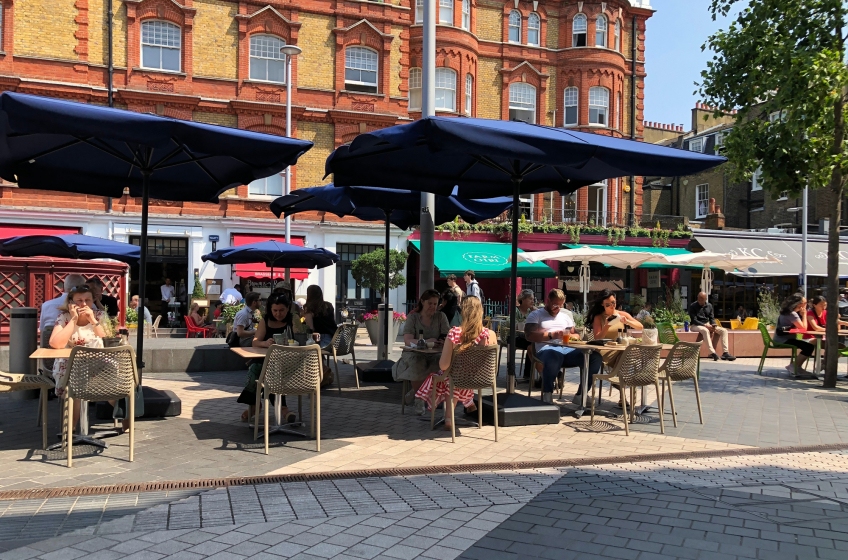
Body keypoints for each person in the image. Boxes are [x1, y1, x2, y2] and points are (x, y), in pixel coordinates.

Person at [49, 285, 129, 432]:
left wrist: (93, 320)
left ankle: (126, 419)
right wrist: (73, 320)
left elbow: (107, 339)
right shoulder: (64, 317)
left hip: (97, 362)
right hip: (71, 364)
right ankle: (70, 430)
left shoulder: (99, 315)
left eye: (87, 300)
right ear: (71, 302)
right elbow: (55, 343)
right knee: (73, 389)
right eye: (79, 300)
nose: (83, 304)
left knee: (112, 385)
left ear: (93, 301)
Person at [414, 297, 496, 430]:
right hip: (482, 379)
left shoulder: (455, 333)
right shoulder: (490, 334)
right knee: (453, 377)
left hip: (456, 379)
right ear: (480, 311)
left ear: (463, 312)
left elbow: (443, 365)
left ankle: (448, 418)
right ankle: (463, 407)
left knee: (447, 376)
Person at [525, 288, 603, 405]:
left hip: (567, 349)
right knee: (554, 355)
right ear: (548, 300)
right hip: (546, 349)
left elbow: (575, 334)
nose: (557, 308)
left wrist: (573, 337)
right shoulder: (536, 315)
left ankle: (581, 395)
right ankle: (547, 394)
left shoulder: (565, 316)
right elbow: (529, 335)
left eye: (560, 306)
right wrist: (552, 335)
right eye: (555, 304)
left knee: (595, 357)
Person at [238, 293, 296, 424]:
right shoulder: (265, 321)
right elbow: (255, 342)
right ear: (270, 309)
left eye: (282, 310)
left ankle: (254, 406)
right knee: (260, 370)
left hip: (288, 364)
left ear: (288, 308)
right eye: (275, 310)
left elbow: (301, 338)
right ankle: (283, 409)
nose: (278, 314)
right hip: (266, 362)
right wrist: (265, 343)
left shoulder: (293, 321)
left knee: (260, 372)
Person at [394, 289, 450, 415]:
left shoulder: (440, 317)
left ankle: (415, 393)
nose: (432, 307)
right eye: (430, 303)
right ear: (423, 302)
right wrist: (424, 342)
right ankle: (419, 399)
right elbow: (407, 340)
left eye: (435, 304)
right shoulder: (413, 317)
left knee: (442, 364)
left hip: (435, 352)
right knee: (418, 363)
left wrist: (441, 341)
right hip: (414, 352)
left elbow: (447, 335)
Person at [774, 292, 815, 374]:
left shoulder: (787, 312)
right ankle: (795, 366)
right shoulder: (792, 314)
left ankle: (795, 366)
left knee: (809, 344)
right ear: (799, 304)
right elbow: (803, 328)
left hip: (780, 338)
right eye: (805, 303)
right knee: (809, 347)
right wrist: (804, 315)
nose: (806, 305)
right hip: (784, 340)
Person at [689, 292, 735, 361]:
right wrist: (705, 325)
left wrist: (713, 325)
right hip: (696, 325)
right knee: (705, 330)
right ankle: (712, 352)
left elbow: (711, 318)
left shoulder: (709, 306)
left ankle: (725, 353)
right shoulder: (693, 306)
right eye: (699, 299)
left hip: (707, 324)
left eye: (702, 299)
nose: (700, 301)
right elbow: (694, 320)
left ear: (705, 299)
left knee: (724, 331)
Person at [514, 289, 536, 380]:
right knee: (531, 345)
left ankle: (530, 374)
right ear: (523, 299)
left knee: (534, 344)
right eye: (530, 299)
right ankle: (528, 374)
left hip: (527, 337)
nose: (533, 301)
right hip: (516, 337)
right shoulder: (515, 311)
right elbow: (514, 327)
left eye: (533, 299)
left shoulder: (531, 312)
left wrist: (536, 312)